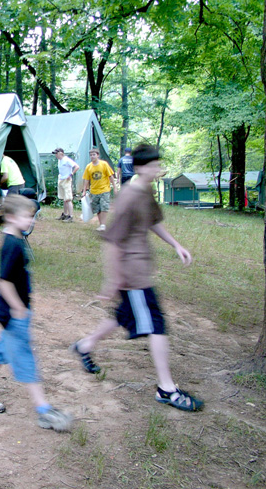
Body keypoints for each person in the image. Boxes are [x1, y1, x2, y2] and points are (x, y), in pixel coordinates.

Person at [71, 144, 203, 412]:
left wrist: (175, 245)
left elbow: (152, 221)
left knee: (124, 315)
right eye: (153, 165)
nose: (157, 169)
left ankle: (84, 346)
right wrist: (112, 281)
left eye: (158, 165)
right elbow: (112, 242)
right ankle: (166, 389)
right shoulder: (129, 195)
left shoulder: (146, 190)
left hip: (141, 270)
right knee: (156, 325)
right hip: (133, 274)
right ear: (141, 168)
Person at [0, 194, 73, 432]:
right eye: (27, 217)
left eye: (32, 216)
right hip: (15, 315)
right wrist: (18, 309)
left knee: (2, 350)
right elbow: (3, 282)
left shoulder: (15, 238)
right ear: (11, 217)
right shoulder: (12, 245)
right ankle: (43, 410)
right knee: (25, 359)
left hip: (13, 314)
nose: (31, 221)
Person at [81, 148, 117, 231]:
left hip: (104, 189)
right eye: (91, 155)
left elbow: (110, 176)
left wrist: (114, 187)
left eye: (94, 155)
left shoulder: (104, 164)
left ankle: (103, 224)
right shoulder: (88, 167)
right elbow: (86, 179)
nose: (92, 156)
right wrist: (84, 191)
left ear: (98, 155)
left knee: (104, 206)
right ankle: (101, 225)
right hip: (94, 191)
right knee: (97, 209)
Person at [52, 148, 79, 222]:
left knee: (68, 199)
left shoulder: (67, 160)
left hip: (66, 181)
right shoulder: (59, 160)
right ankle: (65, 214)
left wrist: (71, 174)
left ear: (61, 154)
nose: (56, 155)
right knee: (64, 198)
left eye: (56, 154)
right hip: (61, 180)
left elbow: (77, 166)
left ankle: (71, 216)